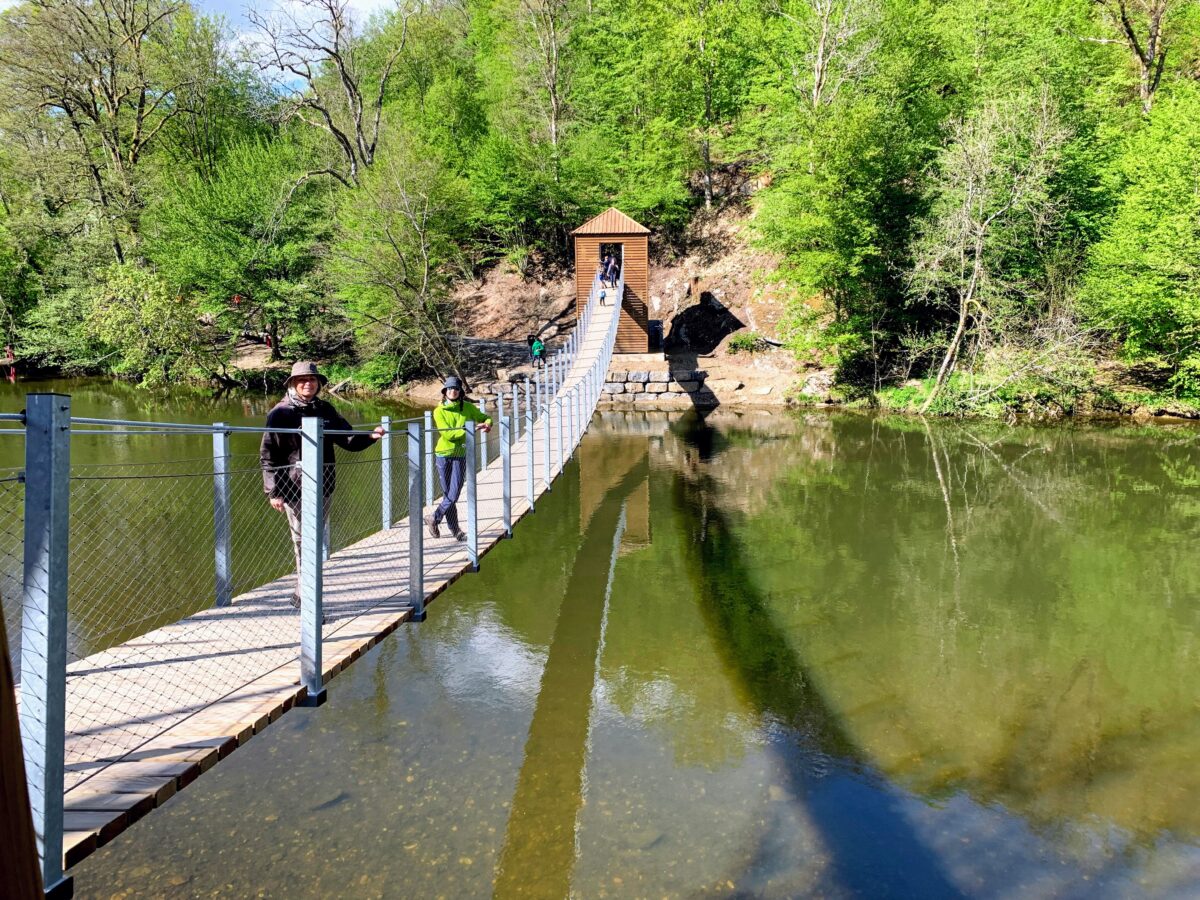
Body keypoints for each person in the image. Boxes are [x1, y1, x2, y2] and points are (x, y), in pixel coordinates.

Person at [260, 361, 385, 606]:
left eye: (313, 380)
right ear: (293, 384)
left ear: (318, 384)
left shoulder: (326, 409)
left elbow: (347, 438)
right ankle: (307, 597)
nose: (308, 384)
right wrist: (273, 491)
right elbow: (268, 455)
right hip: (293, 487)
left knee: (315, 539)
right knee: (303, 540)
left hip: (324, 485)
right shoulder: (280, 413)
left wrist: (371, 436)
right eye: (302, 380)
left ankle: (301, 592)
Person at [425, 376, 492, 541]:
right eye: (449, 389)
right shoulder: (439, 411)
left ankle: (434, 517)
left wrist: (488, 424)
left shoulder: (468, 407)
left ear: (460, 391)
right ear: (445, 392)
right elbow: (447, 434)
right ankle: (456, 531)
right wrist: (469, 430)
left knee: (453, 494)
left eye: (455, 389)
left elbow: (484, 418)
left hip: (460, 455)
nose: (452, 391)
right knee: (449, 495)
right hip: (443, 454)